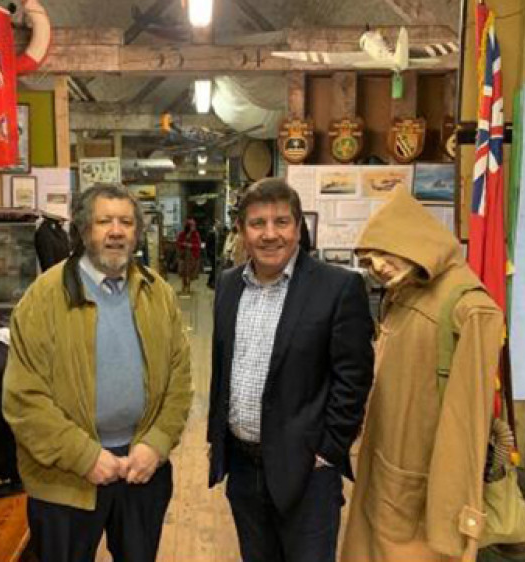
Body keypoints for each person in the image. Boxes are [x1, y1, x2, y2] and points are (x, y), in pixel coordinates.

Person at [3, 184, 193, 562]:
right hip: (65, 478)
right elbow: (25, 400)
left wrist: (155, 444)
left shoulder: (158, 294)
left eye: (125, 221)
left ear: (137, 232)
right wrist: (85, 456)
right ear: (84, 230)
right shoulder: (42, 299)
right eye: (104, 221)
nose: (116, 231)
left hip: (141, 470)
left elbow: (179, 380)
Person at [207, 178, 375, 562]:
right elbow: (223, 367)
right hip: (242, 467)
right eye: (257, 223)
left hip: (307, 473)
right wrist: (217, 438)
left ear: (299, 228)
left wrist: (328, 451)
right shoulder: (230, 286)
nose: (270, 234)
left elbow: (354, 378)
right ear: (241, 231)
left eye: (281, 222)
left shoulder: (338, 287)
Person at [341, 188, 504, 562]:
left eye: (384, 252)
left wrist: (454, 523)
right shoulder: (405, 294)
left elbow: (465, 429)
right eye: (369, 260)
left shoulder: (469, 310)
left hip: (415, 496)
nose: (378, 266)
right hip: (385, 474)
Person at [176, 218, 201, 294]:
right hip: (184, 256)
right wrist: (183, 244)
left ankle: (188, 287)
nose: (194, 227)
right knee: (183, 271)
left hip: (192, 256)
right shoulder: (182, 234)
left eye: (194, 225)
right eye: (192, 226)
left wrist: (191, 246)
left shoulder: (196, 235)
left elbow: (198, 245)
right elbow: (178, 243)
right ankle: (184, 286)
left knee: (190, 272)